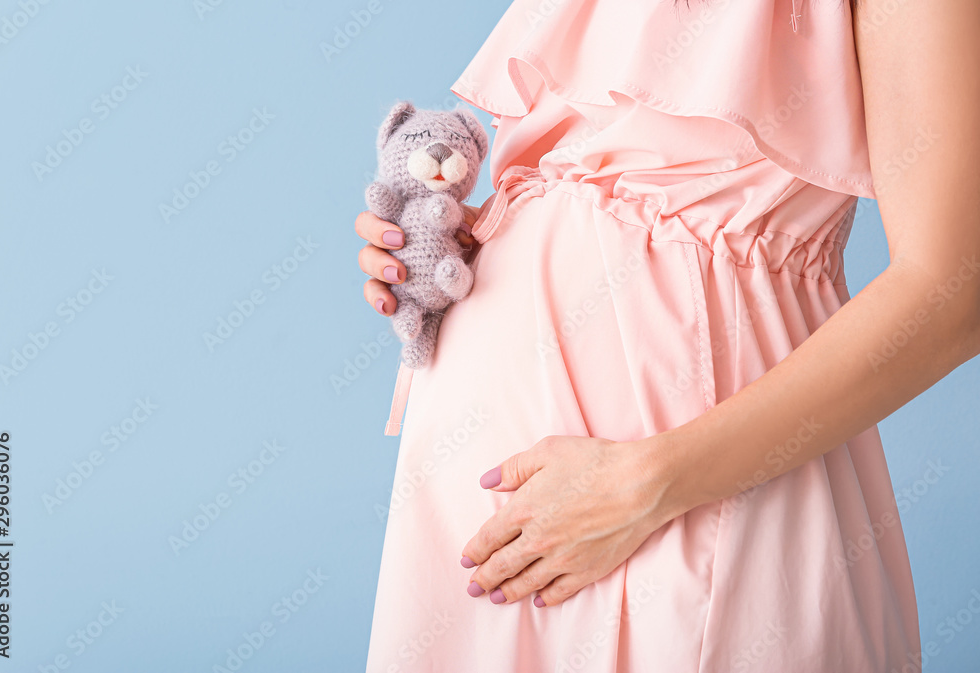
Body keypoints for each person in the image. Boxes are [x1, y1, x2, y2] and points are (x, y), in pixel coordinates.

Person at [355, 0, 980, 670]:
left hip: (683, 499)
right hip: (477, 505)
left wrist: (651, 482)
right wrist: (452, 246)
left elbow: (953, 288)